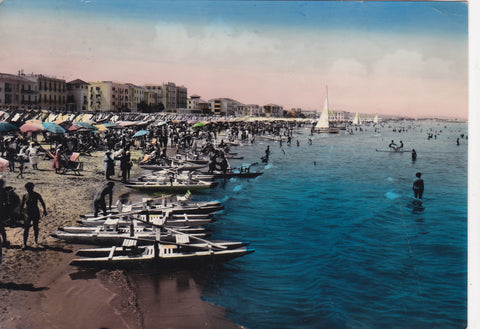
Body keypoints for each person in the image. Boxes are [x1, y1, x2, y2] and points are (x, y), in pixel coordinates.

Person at [21, 182, 47, 248]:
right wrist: (21, 213)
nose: (28, 190)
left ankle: (36, 241)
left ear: (32, 188)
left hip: (35, 212)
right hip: (28, 213)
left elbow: (42, 203)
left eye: (29, 188)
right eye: (27, 188)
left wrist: (44, 210)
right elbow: (22, 205)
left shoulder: (36, 195)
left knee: (35, 227)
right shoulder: (25, 195)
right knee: (26, 228)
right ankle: (24, 243)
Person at [0, 179, 9, 247]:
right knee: (2, 228)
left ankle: (4, 241)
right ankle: (4, 241)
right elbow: (6, 203)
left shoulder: (4, 192)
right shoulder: (4, 192)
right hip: (2, 210)